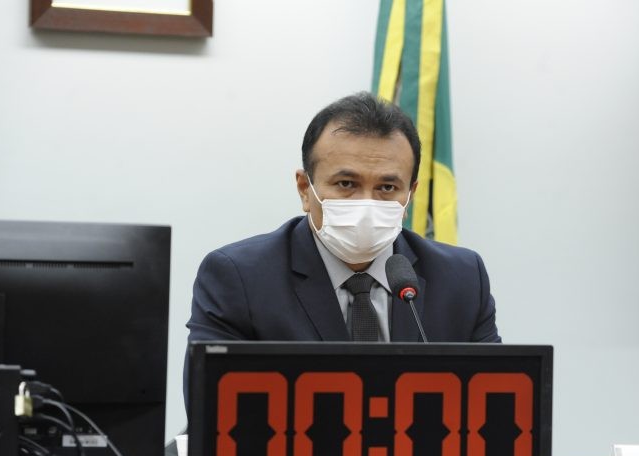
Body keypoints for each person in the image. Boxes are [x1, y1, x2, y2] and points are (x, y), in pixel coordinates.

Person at [186, 92, 500, 353]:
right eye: (346, 184)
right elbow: (212, 409)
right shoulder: (239, 278)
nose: (367, 203)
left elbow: (493, 405)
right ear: (304, 189)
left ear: (410, 195)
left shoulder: (462, 280)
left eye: (387, 188)